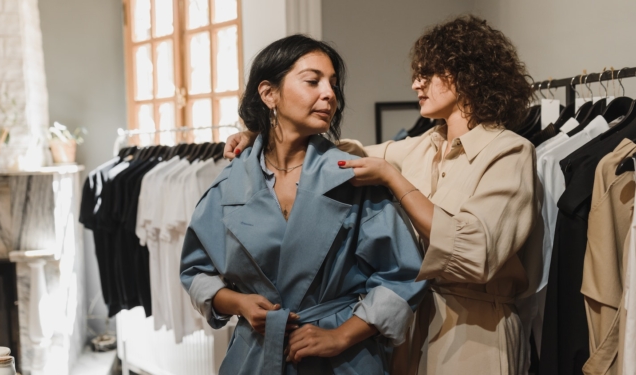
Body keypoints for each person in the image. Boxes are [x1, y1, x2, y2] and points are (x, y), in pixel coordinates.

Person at [224, 16, 543, 375]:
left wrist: (394, 179)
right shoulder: (424, 147)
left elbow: (476, 254)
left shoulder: (510, 152)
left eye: (428, 74)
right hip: (412, 329)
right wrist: (265, 135)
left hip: (476, 333)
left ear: (465, 74)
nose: (415, 83)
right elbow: (344, 154)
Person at [180, 34, 427, 374]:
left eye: (333, 85)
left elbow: (403, 275)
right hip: (256, 354)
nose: (329, 94)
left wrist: (341, 336)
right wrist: (238, 303)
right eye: (313, 81)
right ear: (269, 94)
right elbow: (196, 272)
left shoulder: (352, 178)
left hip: (344, 359)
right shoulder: (229, 186)